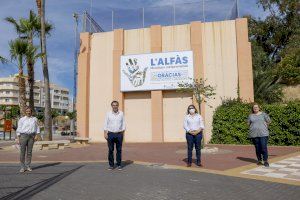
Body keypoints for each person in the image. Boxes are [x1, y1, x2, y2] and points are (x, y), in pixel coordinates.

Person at [16, 107, 40, 173]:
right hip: (23, 136)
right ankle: (22, 167)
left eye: (29, 111)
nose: (28, 112)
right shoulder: (21, 119)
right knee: (22, 152)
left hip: (31, 136)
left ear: (31, 112)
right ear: (25, 112)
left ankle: (28, 166)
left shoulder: (34, 119)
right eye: (27, 111)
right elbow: (18, 129)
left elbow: (37, 127)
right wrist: (18, 139)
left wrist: (37, 135)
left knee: (29, 152)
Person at [104, 101, 126, 170]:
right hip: (110, 134)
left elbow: (123, 123)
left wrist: (122, 131)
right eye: (113, 105)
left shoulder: (121, 113)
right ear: (111, 106)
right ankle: (111, 165)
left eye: (116, 105)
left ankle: (119, 164)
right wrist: (105, 133)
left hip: (119, 134)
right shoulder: (108, 114)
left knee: (119, 150)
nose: (115, 106)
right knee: (111, 150)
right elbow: (105, 123)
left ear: (118, 106)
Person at [248, 103, 271, 167]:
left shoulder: (264, 114)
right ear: (252, 109)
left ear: (259, 108)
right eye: (254, 107)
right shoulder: (250, 115)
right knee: (257, 148)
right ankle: (259, 160)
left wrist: (265, 126)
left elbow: (269, 121)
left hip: (263, 133)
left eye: (256, 107)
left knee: (263, 147)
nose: (255, 108)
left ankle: (265, 161)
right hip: (254, 134)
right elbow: (248, 123)